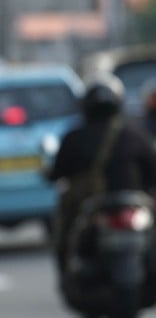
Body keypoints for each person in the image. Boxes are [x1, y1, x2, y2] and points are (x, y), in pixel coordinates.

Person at [47, 74, 156, 273]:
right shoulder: (137, 135)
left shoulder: (74, 137)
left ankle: (65, 270)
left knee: (65, 230)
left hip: (102, 209)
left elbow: (57, 172)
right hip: (119, 208)